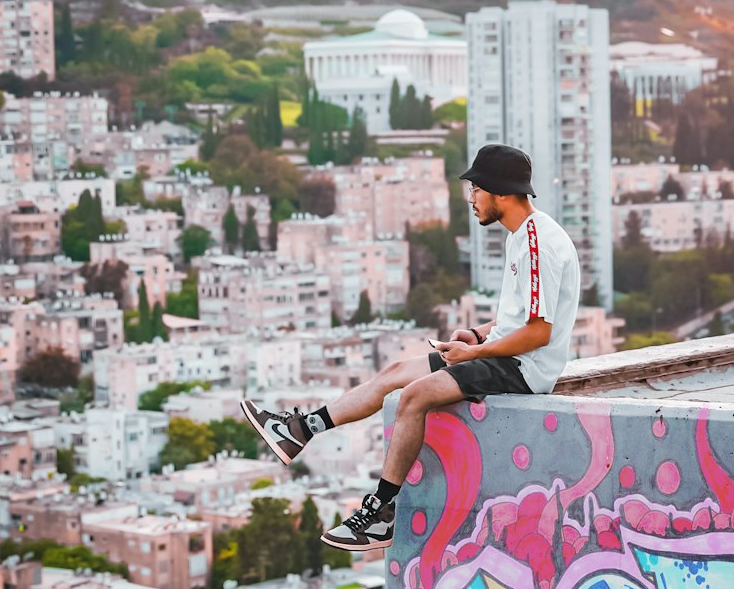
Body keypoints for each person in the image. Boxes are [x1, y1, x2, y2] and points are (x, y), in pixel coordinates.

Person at [240, 143, 581, 552]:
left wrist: (474, 354)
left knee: (414, 396)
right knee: (397, 373)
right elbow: (518, 319)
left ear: (500, 192)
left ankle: (381, 512)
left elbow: (538, 333)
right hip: (503, 355)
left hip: (523, 370)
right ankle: (299, 430)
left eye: (475, 189)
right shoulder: (522, 236)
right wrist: (476, 334)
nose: (471, 199)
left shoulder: (537, 243)